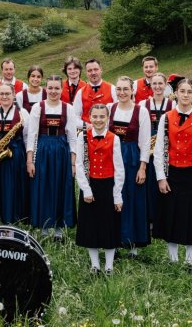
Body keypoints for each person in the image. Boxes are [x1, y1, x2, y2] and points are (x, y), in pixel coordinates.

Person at [153, 78, 192, 270]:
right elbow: (159, 149)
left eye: (189, 92)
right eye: (182, 91)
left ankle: (189, 260)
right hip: (173, 172)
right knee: (171, 213)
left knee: (191, 215)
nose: (185, 95)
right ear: (176, 93)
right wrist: (161, 177)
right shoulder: (166, 117)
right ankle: (172, 258)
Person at [26, 75, 79, 240]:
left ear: (61, 89)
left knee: (60, 187)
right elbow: (32, 135)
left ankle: (58, 228)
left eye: (57, 88)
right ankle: (43, 226)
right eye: (50, 88)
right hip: (43, 150)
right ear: (45, 89)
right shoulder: (38, 107)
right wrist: (29, 160)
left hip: (61, 151)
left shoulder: (67, 108)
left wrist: (73, 163)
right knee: (43, 187)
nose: (54, 91)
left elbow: (72, 137)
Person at [75, 104, 124, 274]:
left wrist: (117, 195)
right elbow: (79, 165)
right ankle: (95, 264)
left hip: (108, 186)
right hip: (90, 185)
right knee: (91, 225)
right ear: (89, 118)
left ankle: (109, 265)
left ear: (107, 118)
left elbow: (119, 168)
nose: (98, 120)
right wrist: (86, 189)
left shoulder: (114, 138)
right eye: (94, 117)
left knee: (108, 225)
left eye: (102, 116)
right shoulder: (82, 137)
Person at [108, 76, 152, 256]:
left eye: (125, 89)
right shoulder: (110, 108)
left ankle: (133, 242)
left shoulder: (141, 111)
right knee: (114, 196)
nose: (122, 92)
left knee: (132, 197)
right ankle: (115, 240)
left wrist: (142, 167)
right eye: (119, 89)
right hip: (112, 157)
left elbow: (145, 141)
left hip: (132, 156)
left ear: (132, 90)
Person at [0, 82, 30, 224]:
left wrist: (28, 159)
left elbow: (27, 137)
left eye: (7, 93)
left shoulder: (23, 113)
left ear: (13, 95)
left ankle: (12, 218)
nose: (4, 96)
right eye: (1, 93)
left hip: (14, 155)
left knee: (12, 186)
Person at [141, 72, 175, 234]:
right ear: (150, 86)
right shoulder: (143, 104)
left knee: (162, 182)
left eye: (160, 83)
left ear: (165, 85)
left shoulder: (172, 105)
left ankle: (162, 219)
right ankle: (149, 219)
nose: (157, 87)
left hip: (164, 149)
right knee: (149, 186)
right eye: (154, 84)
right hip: (147, 149)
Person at [73, 58, 117, 125]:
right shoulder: (80, 93)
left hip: (107, 131)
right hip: (87, 132)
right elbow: (75, 116)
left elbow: (118, 112)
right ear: (86, 73)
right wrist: (85, 125)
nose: (93, 73)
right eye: (89, 70)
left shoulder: (113, 89)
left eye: (96, 69)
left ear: (101, 70)